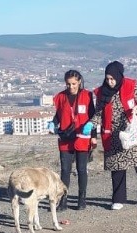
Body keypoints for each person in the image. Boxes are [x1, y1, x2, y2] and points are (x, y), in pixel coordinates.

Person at [90, 61, 137, 210]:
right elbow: (98, 113)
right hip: (114, 135)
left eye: (112, 79)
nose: (110, 82)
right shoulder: (102, 93)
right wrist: (91, 124)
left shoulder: (131, 87)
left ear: (119, 76)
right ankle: (118, 199)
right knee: (117, 168)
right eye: (107, 78)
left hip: (133, 133)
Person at [50, 70, 95, 219]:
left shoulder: (87, 96)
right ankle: (63, 200)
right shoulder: (61, 97)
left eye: (74, 84)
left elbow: (93, 116)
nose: (71, 87)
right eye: (68, 84)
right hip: (65, 137)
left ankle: (82, 199)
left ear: (79, 82)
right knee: (65, 170)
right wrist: (53, 123)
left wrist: (93, 136)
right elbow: (58, 114)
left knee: (82, 169)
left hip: (82, 137)